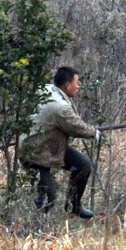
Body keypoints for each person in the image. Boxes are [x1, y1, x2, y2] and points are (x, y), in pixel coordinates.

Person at [19, 66, 101, 219]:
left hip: (49, 146)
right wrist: (93, 132)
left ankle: (73, 205)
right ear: (67, 85)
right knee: (48, 195)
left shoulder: (46, 89)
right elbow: (75, 127)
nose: (79, 86)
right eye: (77, 83)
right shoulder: (59, 106)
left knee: (83, 165)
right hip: (35, 153)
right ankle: (36, 228)